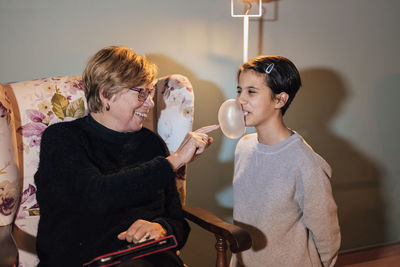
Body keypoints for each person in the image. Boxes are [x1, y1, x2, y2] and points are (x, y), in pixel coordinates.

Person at [34, 46, 219, 267]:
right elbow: (95, 197)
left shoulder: (151, 144)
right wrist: (174, 161)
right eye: (141, 92)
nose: (150, 103)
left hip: (151, 259)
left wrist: (161, 228)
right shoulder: (62, 139)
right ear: (106, 93)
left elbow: (178, 223)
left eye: (150, 93)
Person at [231, 56, 341, 266]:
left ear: (280, 100)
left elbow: (327, 235)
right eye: (239, 91)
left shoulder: (305, 163)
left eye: (251, 91)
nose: (240, 100)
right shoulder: (243, 147)